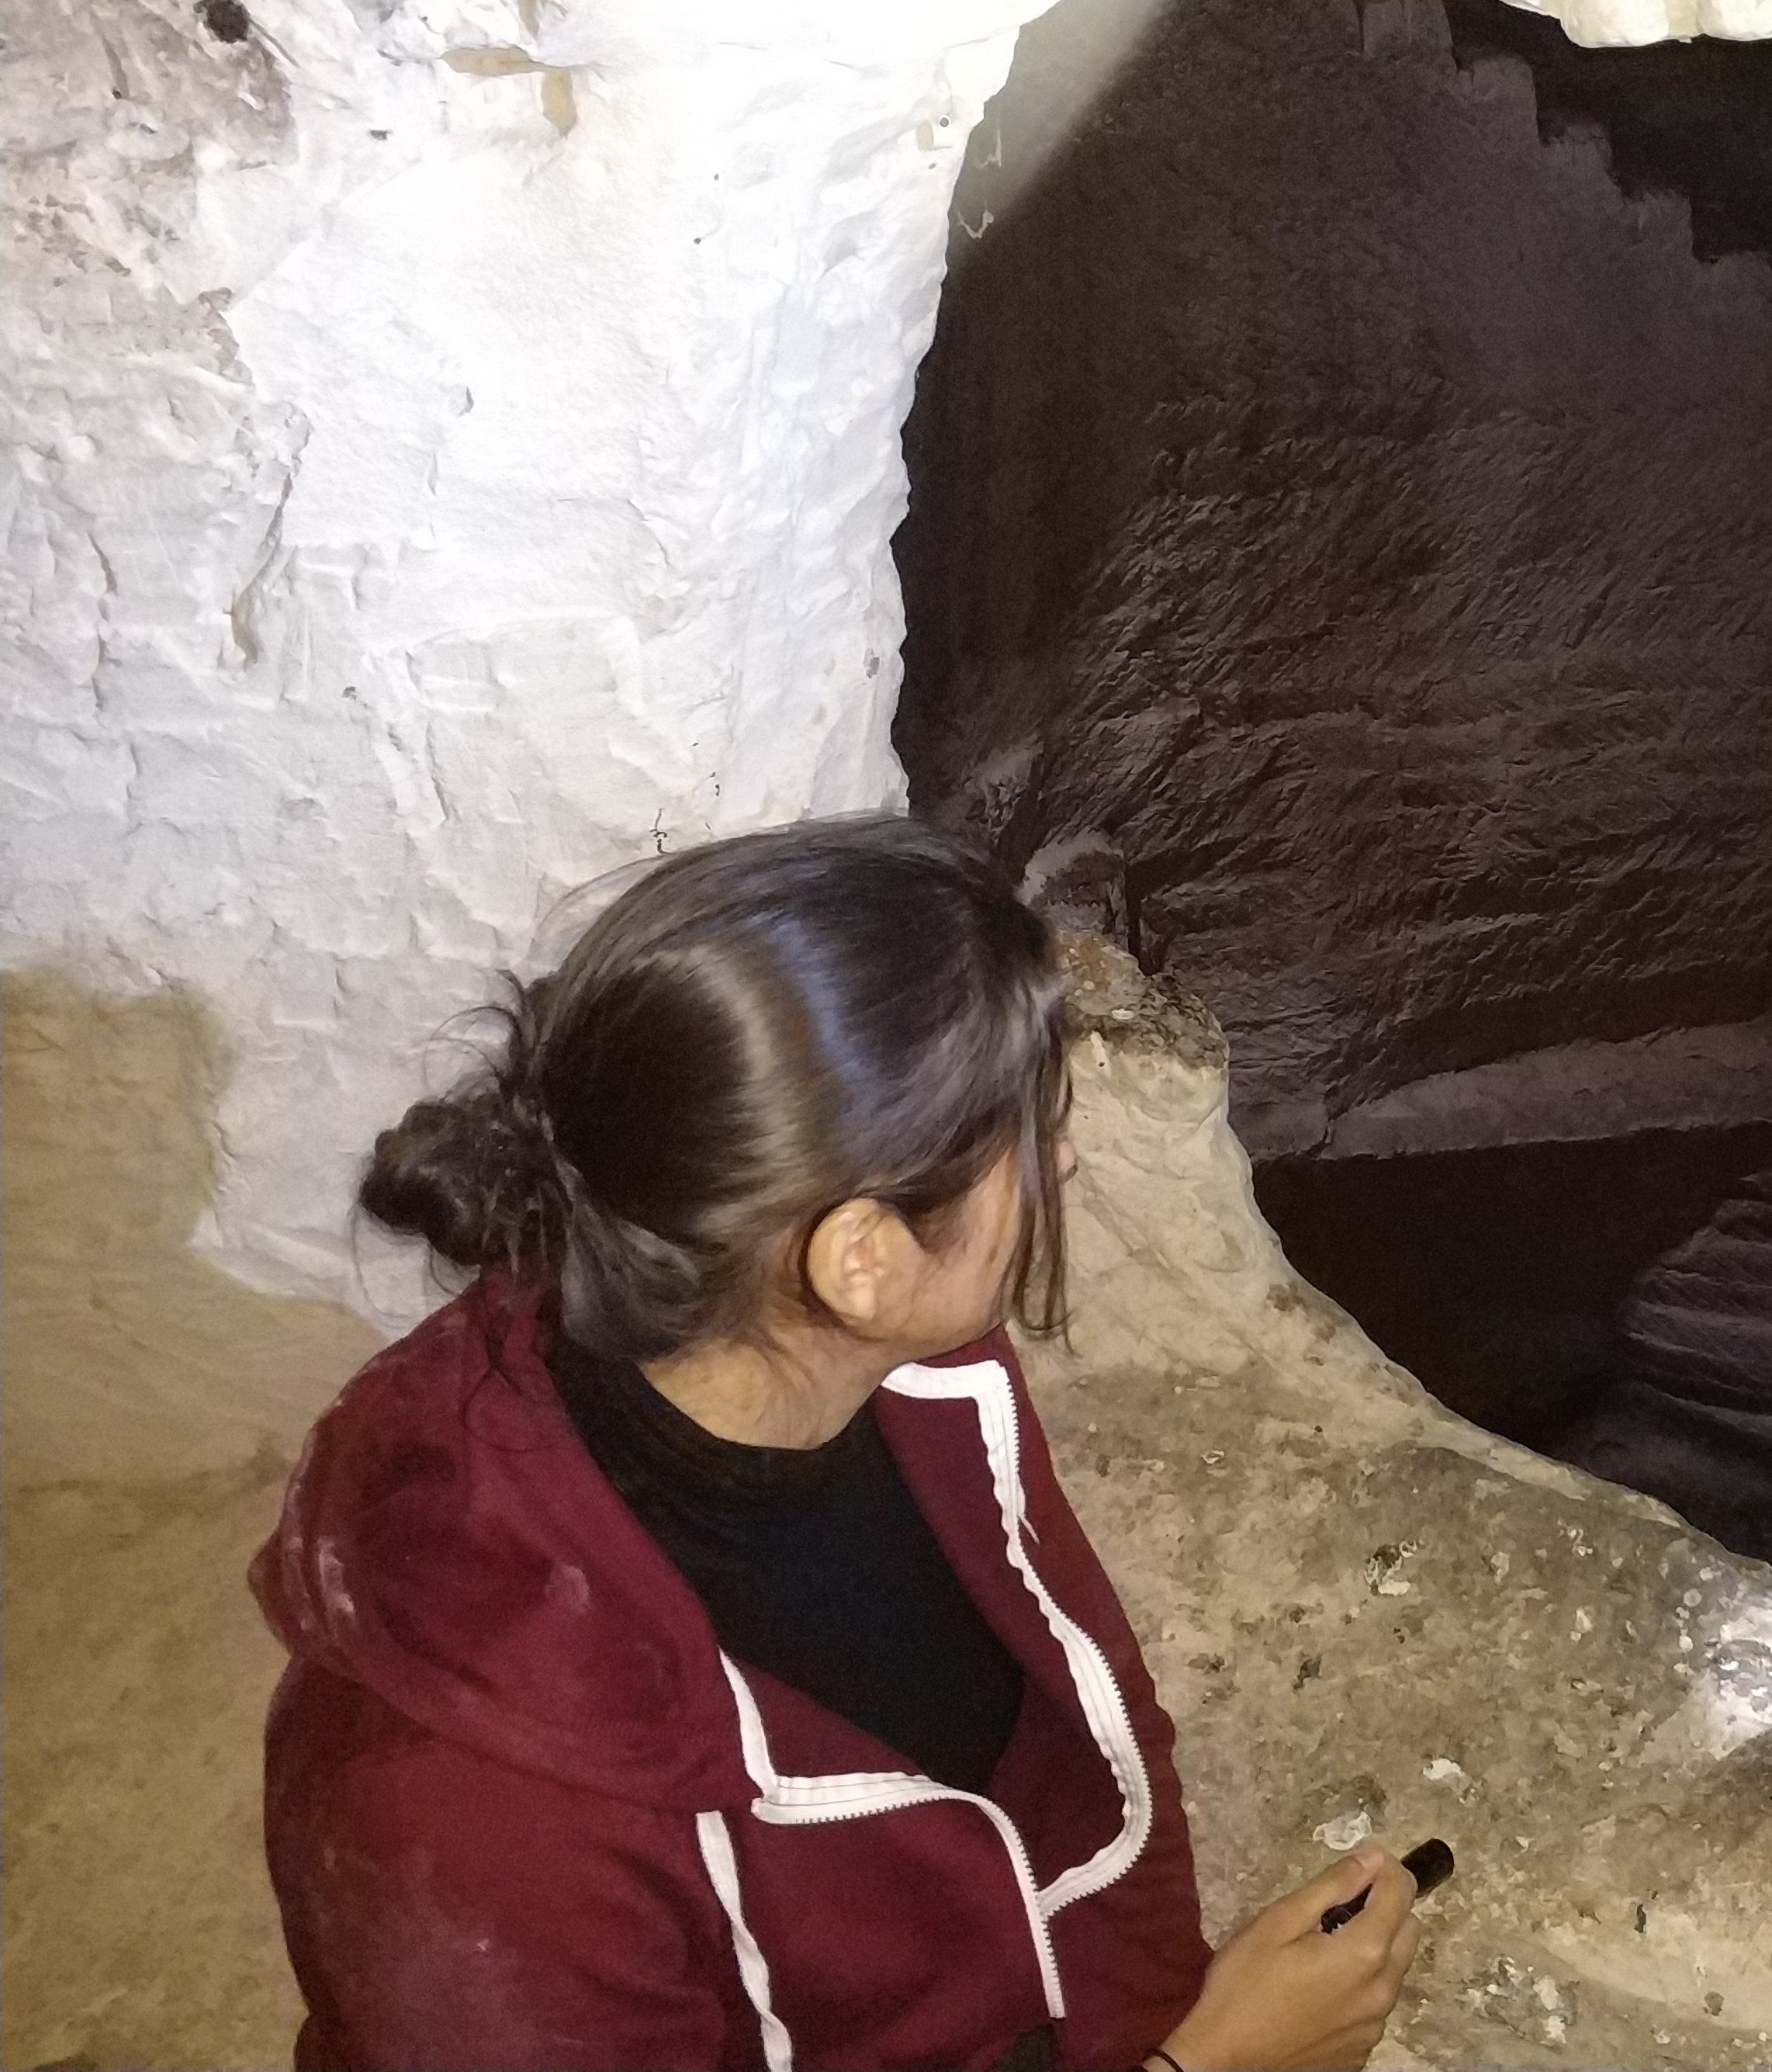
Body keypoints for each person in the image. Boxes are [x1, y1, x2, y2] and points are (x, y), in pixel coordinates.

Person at [251, 816, 1423, 2070]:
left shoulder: (902, 1362)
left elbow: (1086, 1708)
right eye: (1029, 1128)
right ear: (861, 1259)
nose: (1065, 1155)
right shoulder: (461, 1836)